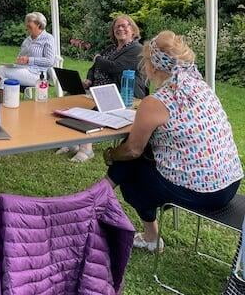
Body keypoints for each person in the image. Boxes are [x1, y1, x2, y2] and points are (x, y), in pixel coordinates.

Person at [103, 31, 242, 252]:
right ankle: (98, 195)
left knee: (132, 169)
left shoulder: (156, 101)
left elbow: (132, 150)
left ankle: (149, 237)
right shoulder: (202, 87)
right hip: (229, 184)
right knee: (138, 156)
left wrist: (110, 155)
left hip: (201, 192)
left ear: (153, 67)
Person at [59, 14, 147, 162]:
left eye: (124, 25)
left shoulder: (136, 49)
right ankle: (71, 141)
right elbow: (94, 68)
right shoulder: (110, 49)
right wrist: (89, 79)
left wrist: (98, 58)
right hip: (97, 89)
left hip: (123, 92)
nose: (120, 28)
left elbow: (115, 67)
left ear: (133, 30)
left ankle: (86, 149)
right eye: (116, 26)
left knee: (94, 108)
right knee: (70, 96)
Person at [0, 12, 55, 89]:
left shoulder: (48, 38)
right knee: (3, 81)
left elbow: (50, 61)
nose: (27, 28)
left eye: (29, 26)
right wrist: (19, 60)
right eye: (27, 25)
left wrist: (29, 60)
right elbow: (21, 56)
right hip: (24, 69)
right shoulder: (27, 40)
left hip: (38, 74)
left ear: (39, 25)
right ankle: (1, 101)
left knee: (1, 70)